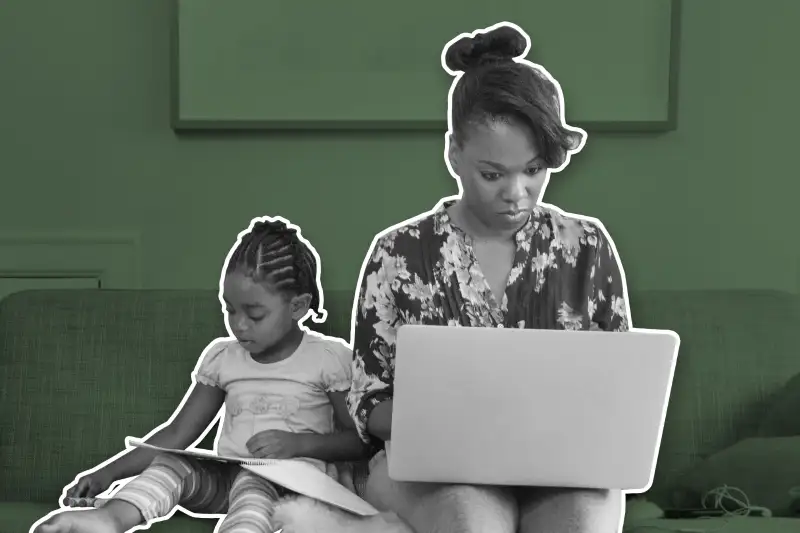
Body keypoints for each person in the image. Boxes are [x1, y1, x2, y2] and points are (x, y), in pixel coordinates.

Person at [346, 22, 631, 533]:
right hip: (434, 471)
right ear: (454, 153)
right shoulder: (398, 252)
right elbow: (369, 401)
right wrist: (453, 423)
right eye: (493, 174)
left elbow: (621, 387)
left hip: (562, 469)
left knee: (581, 523)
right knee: (470, 521)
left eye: (534, 169)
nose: (517, 193)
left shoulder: (586, 246)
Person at [33, 217, 369, 533]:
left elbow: (361, 441)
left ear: (298, 306)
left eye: (254, 314)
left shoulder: (327, 359)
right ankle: (108, 519)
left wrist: (300, 444)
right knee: (169, 465)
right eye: (230, 309)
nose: (238, 324)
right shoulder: (224, 357)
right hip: (227, 480)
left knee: (255, 487)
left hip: (293, 485)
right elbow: (178, 433)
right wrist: (107, 473)